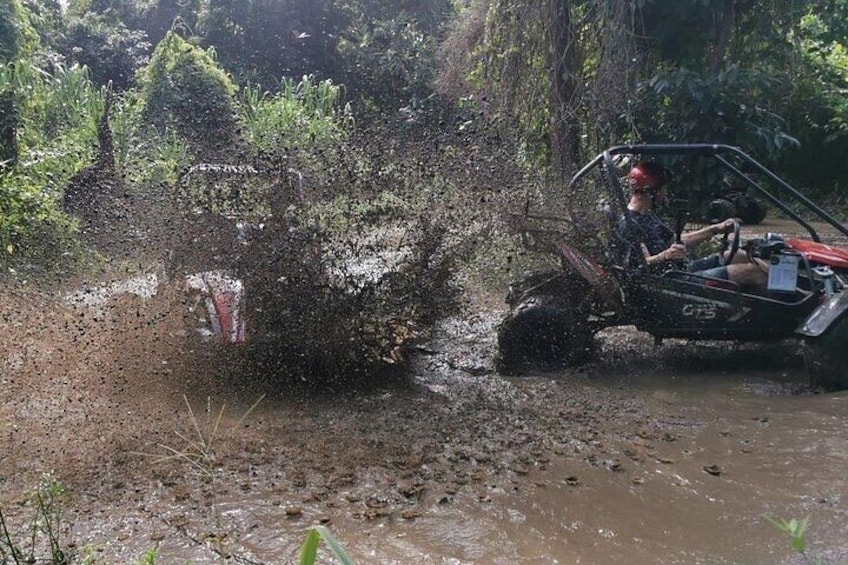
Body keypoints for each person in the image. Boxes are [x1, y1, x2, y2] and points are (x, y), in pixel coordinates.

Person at [617, 161, 768, 293]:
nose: (665, 194)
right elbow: (640, 265)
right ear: (651, 192)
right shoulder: (631, 224)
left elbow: (676, 241)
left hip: (681, 271)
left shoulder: (648, 216)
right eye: (663, 189)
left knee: (739, 255)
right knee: (753, 273)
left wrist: (715, 229)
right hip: (672, 283)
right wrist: (665, 256)